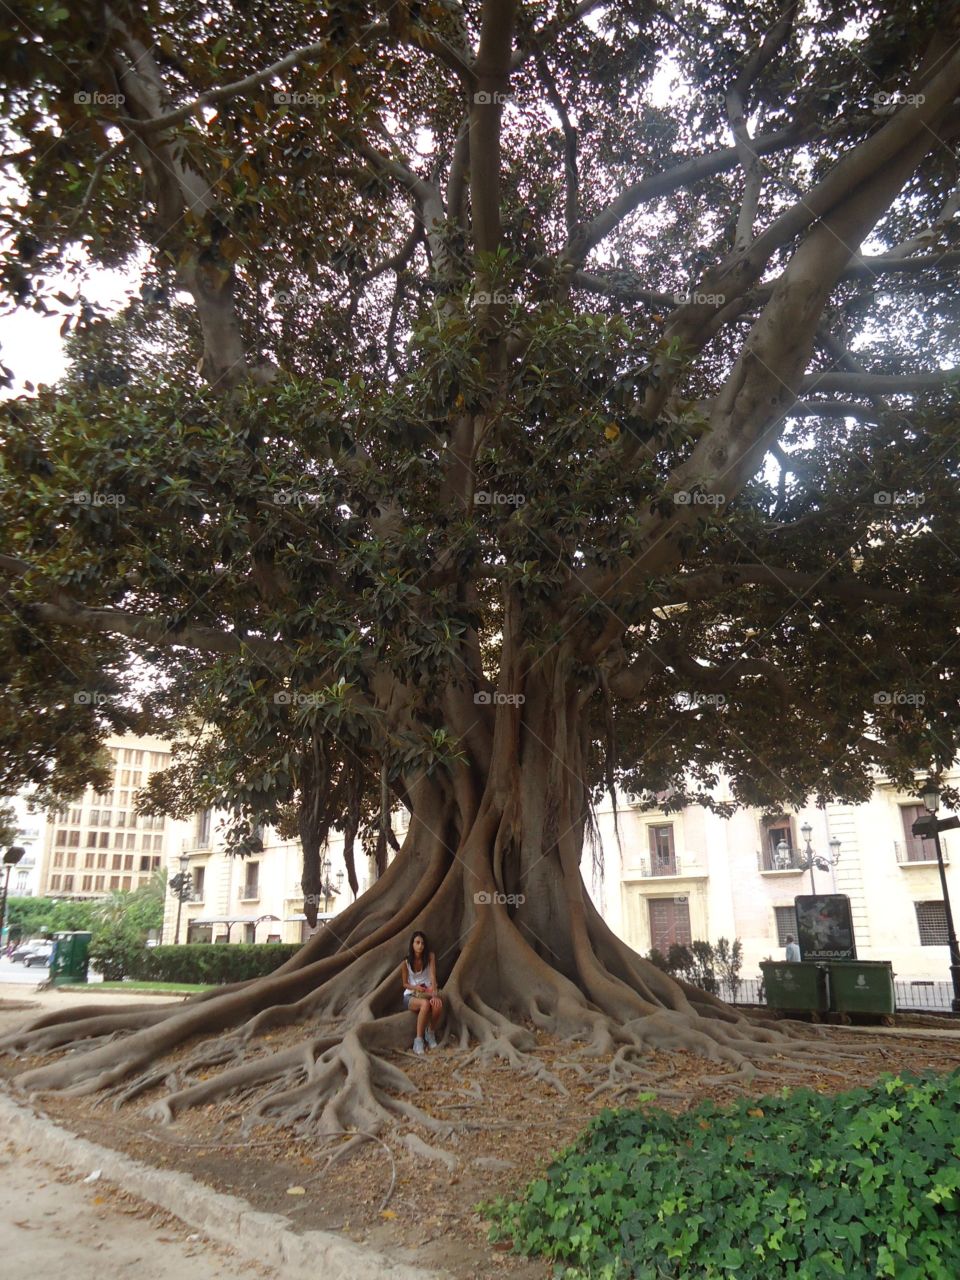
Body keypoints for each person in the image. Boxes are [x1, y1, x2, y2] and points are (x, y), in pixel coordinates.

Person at [401, 930, 443, 1055]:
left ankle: (430, 1033)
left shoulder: (430, 957)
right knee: (425, 1004)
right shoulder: (406, 962)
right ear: (412, 944)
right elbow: (404, 983)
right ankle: (418, 1040)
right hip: (411, 995)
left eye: (422, 943)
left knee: (437, 1006)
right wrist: (415, 987)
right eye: (417, 942)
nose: (420, 946)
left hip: (429, 992)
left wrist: (434, 994)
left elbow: (432, 975)